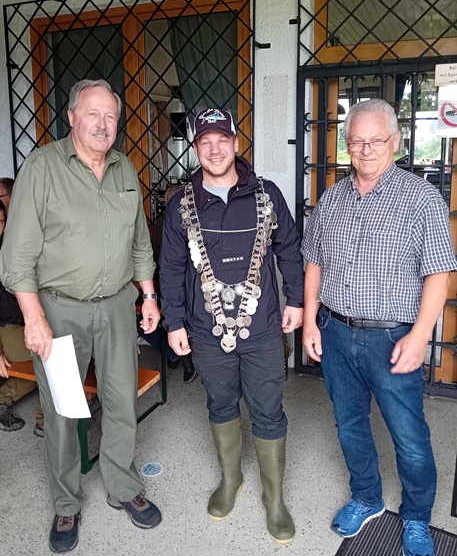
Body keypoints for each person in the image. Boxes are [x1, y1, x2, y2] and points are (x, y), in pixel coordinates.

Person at [0, 79, 162, 554]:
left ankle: (122, 485)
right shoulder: (42, 167)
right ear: (71, 117)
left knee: (121, 400)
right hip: (59, 310)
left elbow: (139, 242)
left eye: (111, 116)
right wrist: (34, 317)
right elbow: (16, 255)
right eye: (93, 113)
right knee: (63, 410)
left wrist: (148, 296)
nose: (102, 124)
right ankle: (66, 503)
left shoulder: (124, 167)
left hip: (116, 307)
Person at [301, 99, 456, 556]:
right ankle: (367, 497)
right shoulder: (332, 199)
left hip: (393, 338)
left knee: (409, 437)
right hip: (335, 331)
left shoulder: (421, 198)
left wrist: (420, 335)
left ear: (396, 141)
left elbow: (439, 273)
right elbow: (314, 263)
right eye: (357, 141)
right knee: (349, 425)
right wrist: (309, 322)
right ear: (347, 145)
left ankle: (416, 517)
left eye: (376, 140)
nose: (365, 149)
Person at [159, 108, 304, 543]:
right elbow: (171, 267)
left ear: (236, 144)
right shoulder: (182, 204)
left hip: (262, 330)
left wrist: (297, 300)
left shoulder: (266, 196)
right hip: (206, 331)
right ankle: (230, 480)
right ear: (196, 148)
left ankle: (274, 499)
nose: (215, 148)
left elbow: (289, 248)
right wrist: (174, 322)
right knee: (220, 404)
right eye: (205, 141)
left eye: (222, 139)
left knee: (268, 409)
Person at [139, 185, 197, 383]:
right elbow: (161, 259)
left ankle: (177, 354)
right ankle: (177, 354)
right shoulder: (167, 224)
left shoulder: (190, 220)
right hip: (170, 281)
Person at [0, 190, 44, 436]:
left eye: (0, 221)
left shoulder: (10, 249)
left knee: (40, 364)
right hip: (7, 330)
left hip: (25, 322)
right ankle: (47, 420)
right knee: (50, 356)